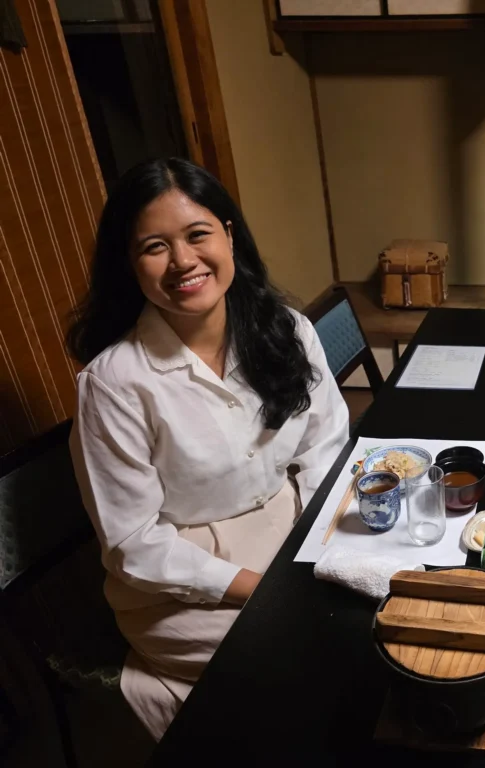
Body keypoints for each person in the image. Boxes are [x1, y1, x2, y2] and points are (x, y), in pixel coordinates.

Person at [67, 158, 350, 740]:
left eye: (197, 235)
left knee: (370, 622)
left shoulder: (287, 329)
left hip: (292, 530)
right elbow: (132, 543)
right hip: (180, 581)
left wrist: (328, 539)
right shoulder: (115, 382)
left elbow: (326, 444)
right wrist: (261, 588)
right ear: (129, 263)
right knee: (310, 655)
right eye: (154, 246)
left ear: (228, 234)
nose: (183, 262)